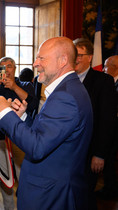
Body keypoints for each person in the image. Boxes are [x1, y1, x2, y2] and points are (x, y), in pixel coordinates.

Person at [0, 37, 93, 209]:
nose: (35, 63)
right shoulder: (67, 90)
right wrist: (21, 117)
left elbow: (37, 147)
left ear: (62, 61)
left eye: (41, 58)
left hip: (51, 193)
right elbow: (46, 134)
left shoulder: (65, 96)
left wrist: (4, 112)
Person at [73, 38, 116, 208]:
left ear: (90, 57)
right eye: (73, 54)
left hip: (90, 151)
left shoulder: (103, 82)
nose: (75, 58)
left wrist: (100, 154)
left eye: (80, 55)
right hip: (68, 151)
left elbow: (107, 121)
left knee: (85, 196)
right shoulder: (65, 80)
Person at [0, 57, 37, 210]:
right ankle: (8, 208)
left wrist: (14, 86)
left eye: (9, 66)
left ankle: (26, 205)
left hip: (21, 137)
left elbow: (33, 105)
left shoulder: (25, 85)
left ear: (15, 68)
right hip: (1, 138)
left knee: (24, 175)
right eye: (2, 67)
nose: (6, 69)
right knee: (4, 177)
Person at [96, 55, 118, 199]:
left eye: (106, 66)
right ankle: (109, 189)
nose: (103, 69)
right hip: (110, 129)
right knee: (109, 161)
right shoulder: (107, 83)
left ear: (115, 67)